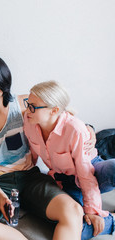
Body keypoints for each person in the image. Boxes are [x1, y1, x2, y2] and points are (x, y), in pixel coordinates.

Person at [0, 55, 87, 240]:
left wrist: (89, 130)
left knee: (73, 210)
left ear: (3, 81)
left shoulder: (23, 104)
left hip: (29, 177)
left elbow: (62, 115)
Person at [23, 80, 115, 239]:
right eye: (27, 104)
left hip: (90, 169)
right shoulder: (29, 119)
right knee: (73, 228)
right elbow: (32, 155)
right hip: (66, 180)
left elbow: (85, 174)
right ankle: (112, 220)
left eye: (32, 106)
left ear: (54, 110)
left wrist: (92, 210)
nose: (27, 110)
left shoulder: (74, 129)